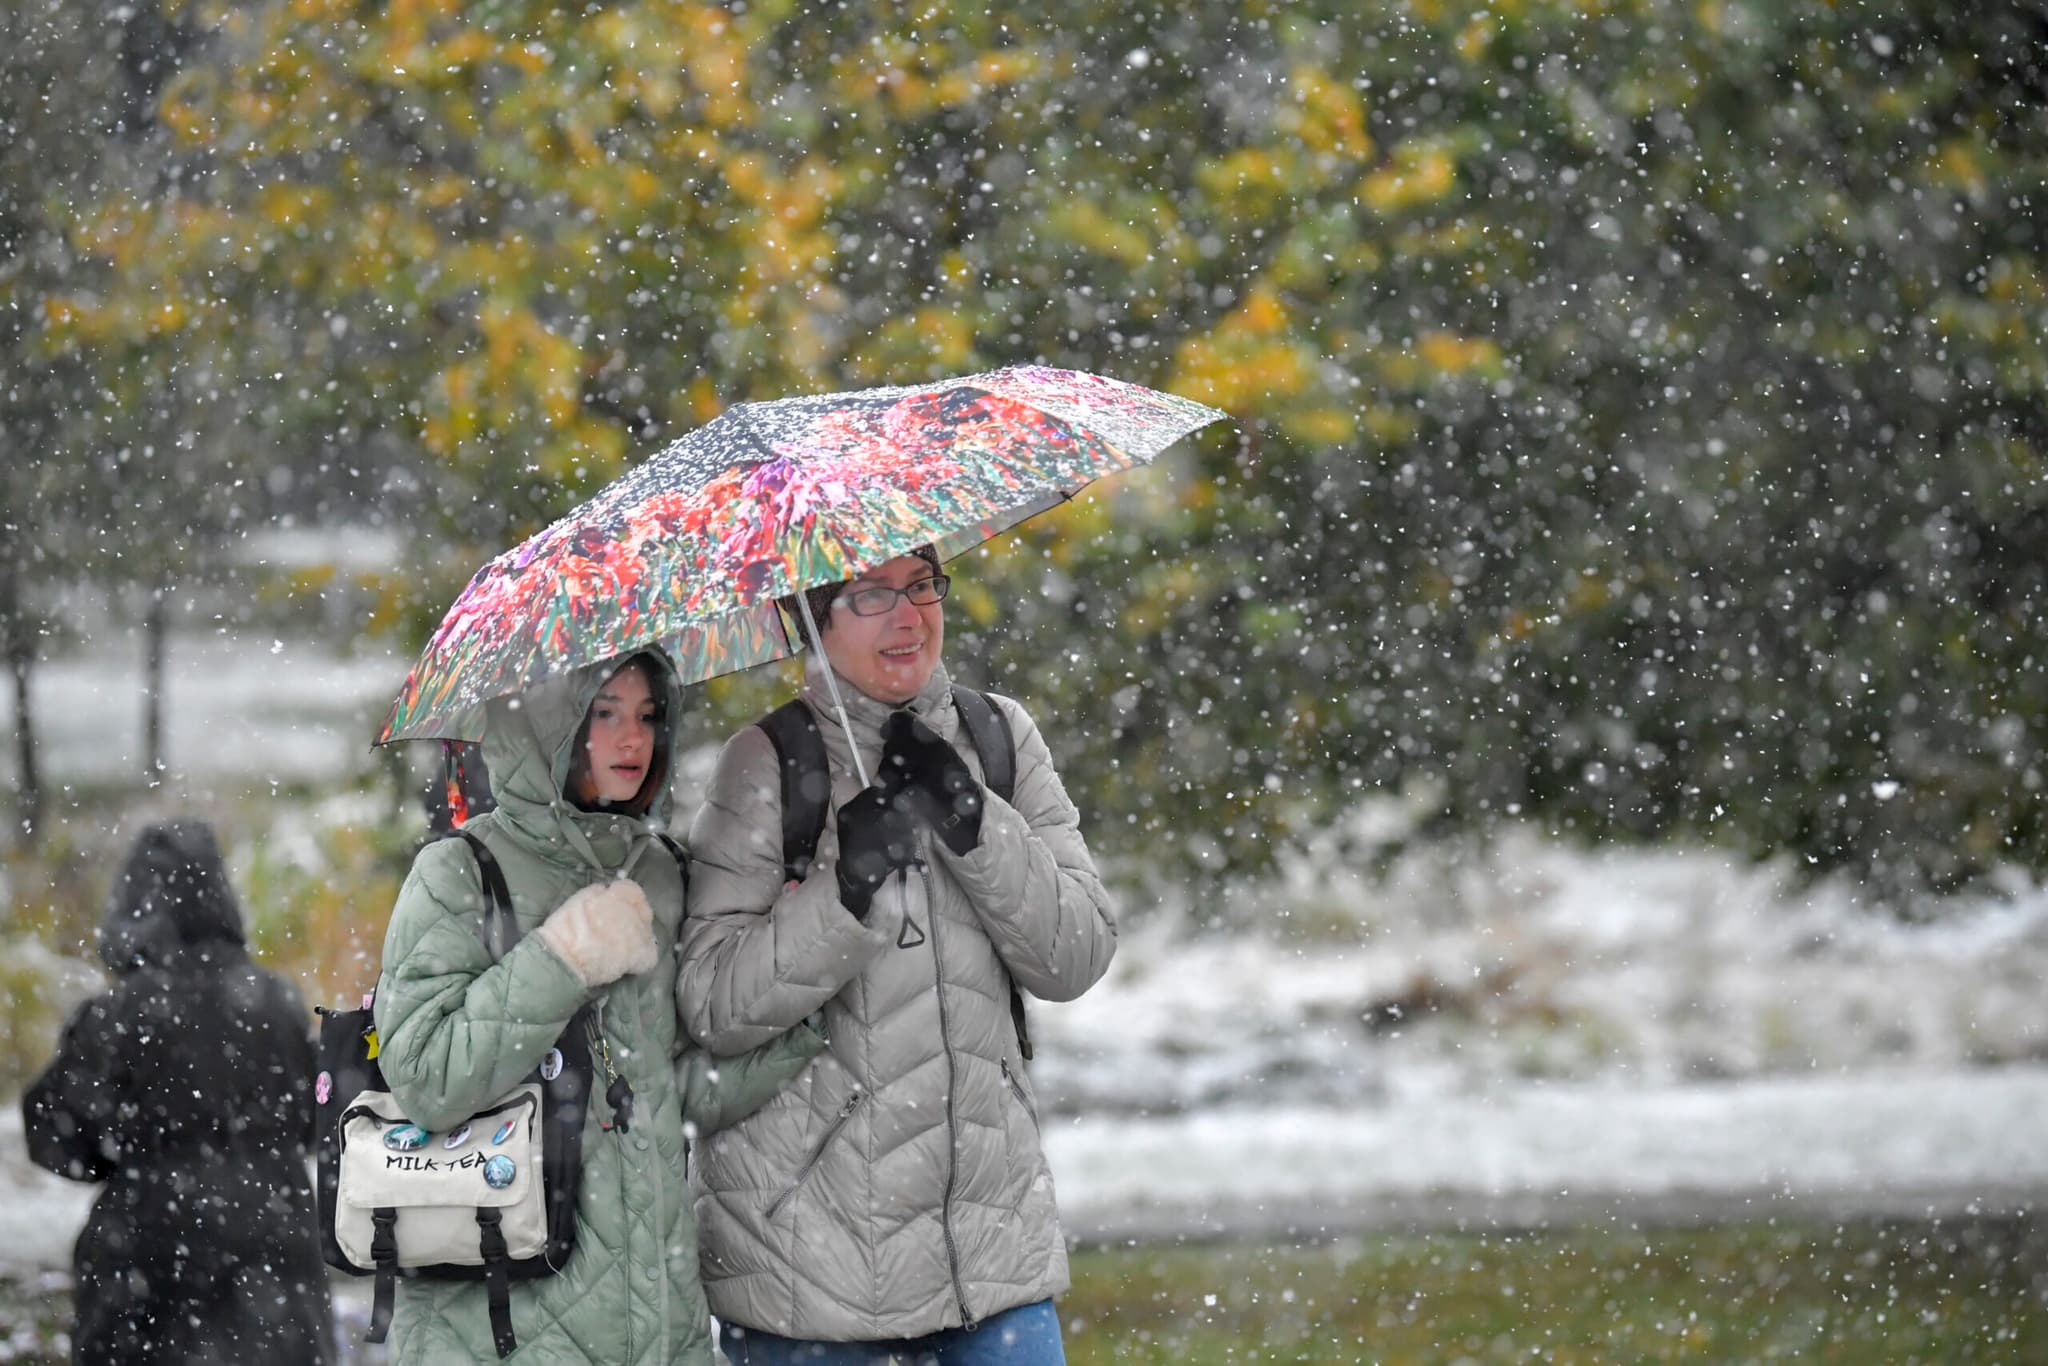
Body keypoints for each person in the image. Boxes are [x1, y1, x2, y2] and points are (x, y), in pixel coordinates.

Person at [679, 547, 1119, 1364]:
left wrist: (974, 822)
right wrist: (843, 891)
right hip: (808, 1274)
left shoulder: (999, 738)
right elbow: (712, 1004)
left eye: (921, 586)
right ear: (815, 618)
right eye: (873, 595)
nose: (909, 616)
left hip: (991, 1258)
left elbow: (1077, 955)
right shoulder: (768, 764)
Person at [372, 650, 824, 1365]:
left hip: (656, 1323)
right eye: (604, 714)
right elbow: (427, 1079)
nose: (633, 739)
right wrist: (563, 959)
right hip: (496, 1328)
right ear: (546, 728)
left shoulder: (663, 873)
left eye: (647, 716)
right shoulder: (459, 873)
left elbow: (674, 1090)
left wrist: (805, 1007)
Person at [22, 820, 334, 1366]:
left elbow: (54, 1135)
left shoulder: (120, 1015)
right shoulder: (277, 1004)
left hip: (152, 1265)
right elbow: (319, 1118)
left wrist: (137, 1156)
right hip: (276, 1254)